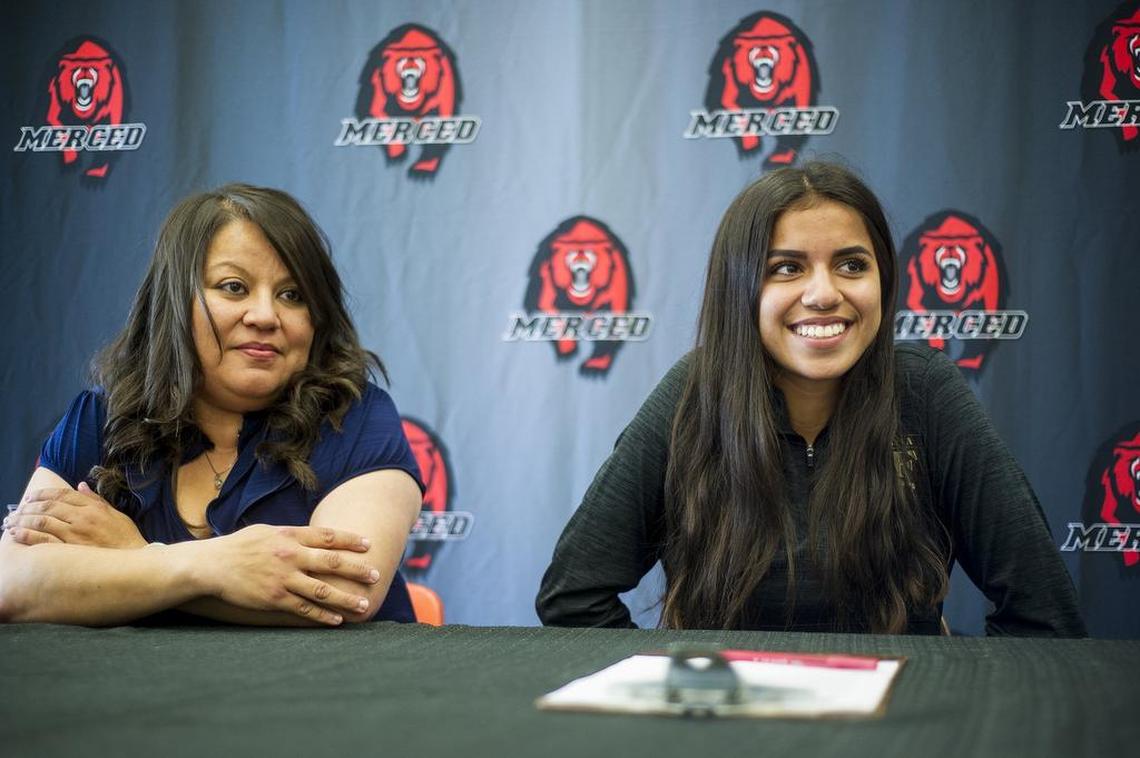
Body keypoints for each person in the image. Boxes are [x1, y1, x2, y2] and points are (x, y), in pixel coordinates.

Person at [536, 161, 1086, 636]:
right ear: (740, 289)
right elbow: (573, 597)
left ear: (883, 279)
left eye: (852, 264)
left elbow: (1045, 619)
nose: (824, 294)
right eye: (787, 268)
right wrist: (674, 691)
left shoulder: (925, 392)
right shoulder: (693, 394)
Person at [0, 184, 423, 627]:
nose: (264, 315)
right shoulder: (99, 420)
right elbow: (14, 584)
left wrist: (132, 555)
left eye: (292, 295)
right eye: (234, 287)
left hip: (333, 691)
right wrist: (208, 567)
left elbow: (342, 592)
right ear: (174, 303)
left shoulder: (356, 418)